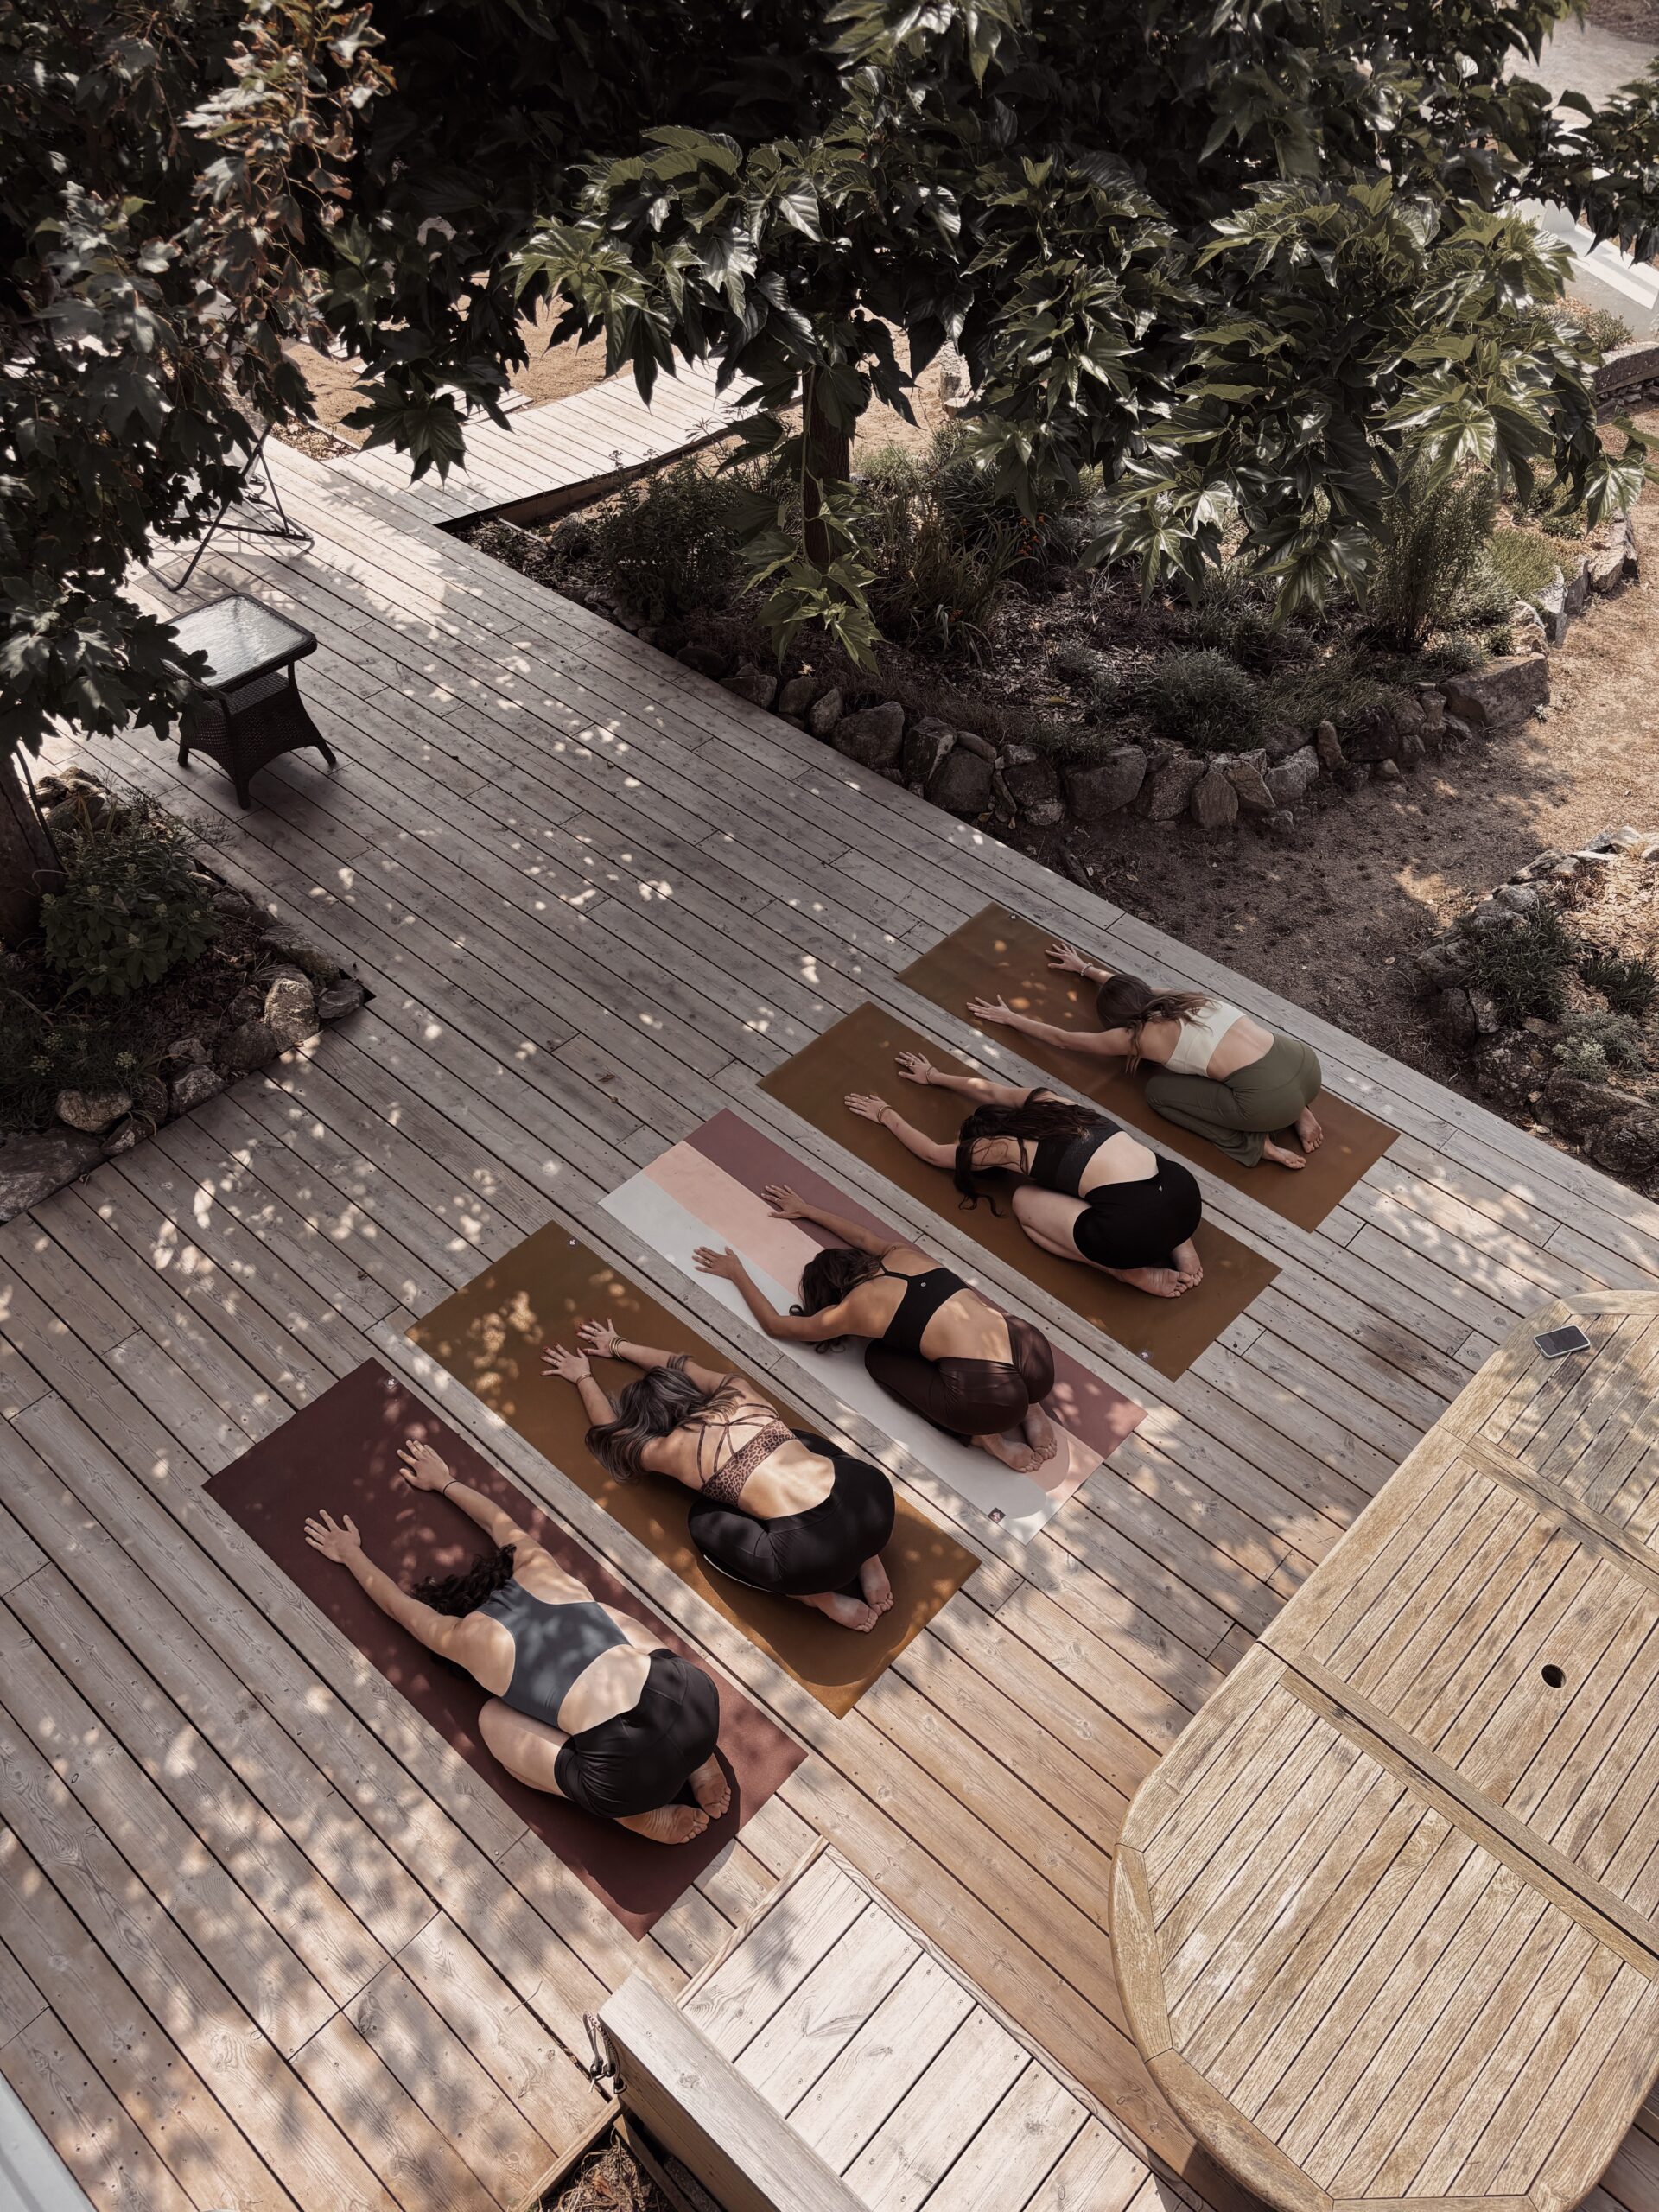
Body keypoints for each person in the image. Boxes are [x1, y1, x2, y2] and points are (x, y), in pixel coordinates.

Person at [303, 1439, 728, 1844]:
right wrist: (445, 1481)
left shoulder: (463, 1637)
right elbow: (497, 1521)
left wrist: (350, 1553)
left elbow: (398, 1607)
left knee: (492, 1719)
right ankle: (700, 1758)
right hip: (694, 1702)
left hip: (629, 1779)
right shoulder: (538, 1567)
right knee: (604, 1616)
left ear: (454, 1610)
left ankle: (635, 1815)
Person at [690, 1182, 1059, 1476]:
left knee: (879, 1358)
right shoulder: (901, 1254)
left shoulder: (853, 1308)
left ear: (830, 1294)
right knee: (965, 1333)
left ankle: (986, 1438)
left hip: (990, 1402)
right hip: (1034, 1355)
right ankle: (1033, 1406)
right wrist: (807, 1209)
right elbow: (864, 1238)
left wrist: (737, 1273)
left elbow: (776, 1326)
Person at [542, 1327, 897, 1632]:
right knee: (800, 1440)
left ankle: (817, 1597)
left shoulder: (669, 1450)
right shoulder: (737, 1390)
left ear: (650, 1425)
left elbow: (614, 1435)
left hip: (814, 1562)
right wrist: (619, 1345)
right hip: (874, 1503)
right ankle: (869, 1557)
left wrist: (583, 1377)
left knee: (701, 1520)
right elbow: (680, 1364)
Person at [847, 1052, 1204, 1299]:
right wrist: (934, 1076)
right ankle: (1180, 1243)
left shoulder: (1002, 1149)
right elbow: (990, 1089)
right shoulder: (1050, 1102)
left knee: (1024, 1201)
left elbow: (931, 1153)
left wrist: (885, 1114)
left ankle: (1125, 1272)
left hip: (1132, 1237)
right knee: (1133, 1171)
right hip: (1185, 1197)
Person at [966, 941, 1324, 1172]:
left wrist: (1011, 1018)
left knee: (1158, 1093)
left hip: (1268, 1102)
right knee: (1252, 1067)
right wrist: (1085, 969)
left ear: (1117, 1021)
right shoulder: (1183, 999)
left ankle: (1257, 1143)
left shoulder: (1136, 1038)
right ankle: (1301, 1110)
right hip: (1305, 1067)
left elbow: (1064, 1039)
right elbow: (1137, 988)